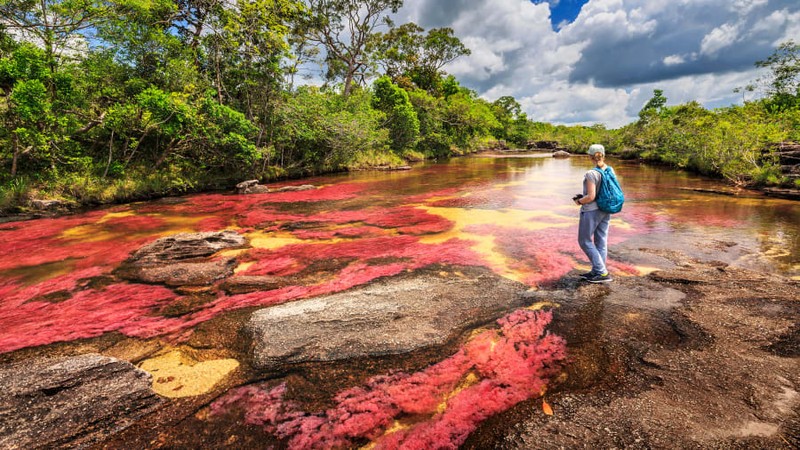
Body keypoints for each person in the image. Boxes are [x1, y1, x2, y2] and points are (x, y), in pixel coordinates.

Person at [574, 144, 613, 283]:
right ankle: (598, 271)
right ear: (603, 155)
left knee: (584, 240)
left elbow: (591, 197)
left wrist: (579, 201)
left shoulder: (591, 173)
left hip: (591, 210)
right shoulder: (609, 170)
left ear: (590, 156)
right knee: (601, 241)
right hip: (606, 209)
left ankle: (602, 273)